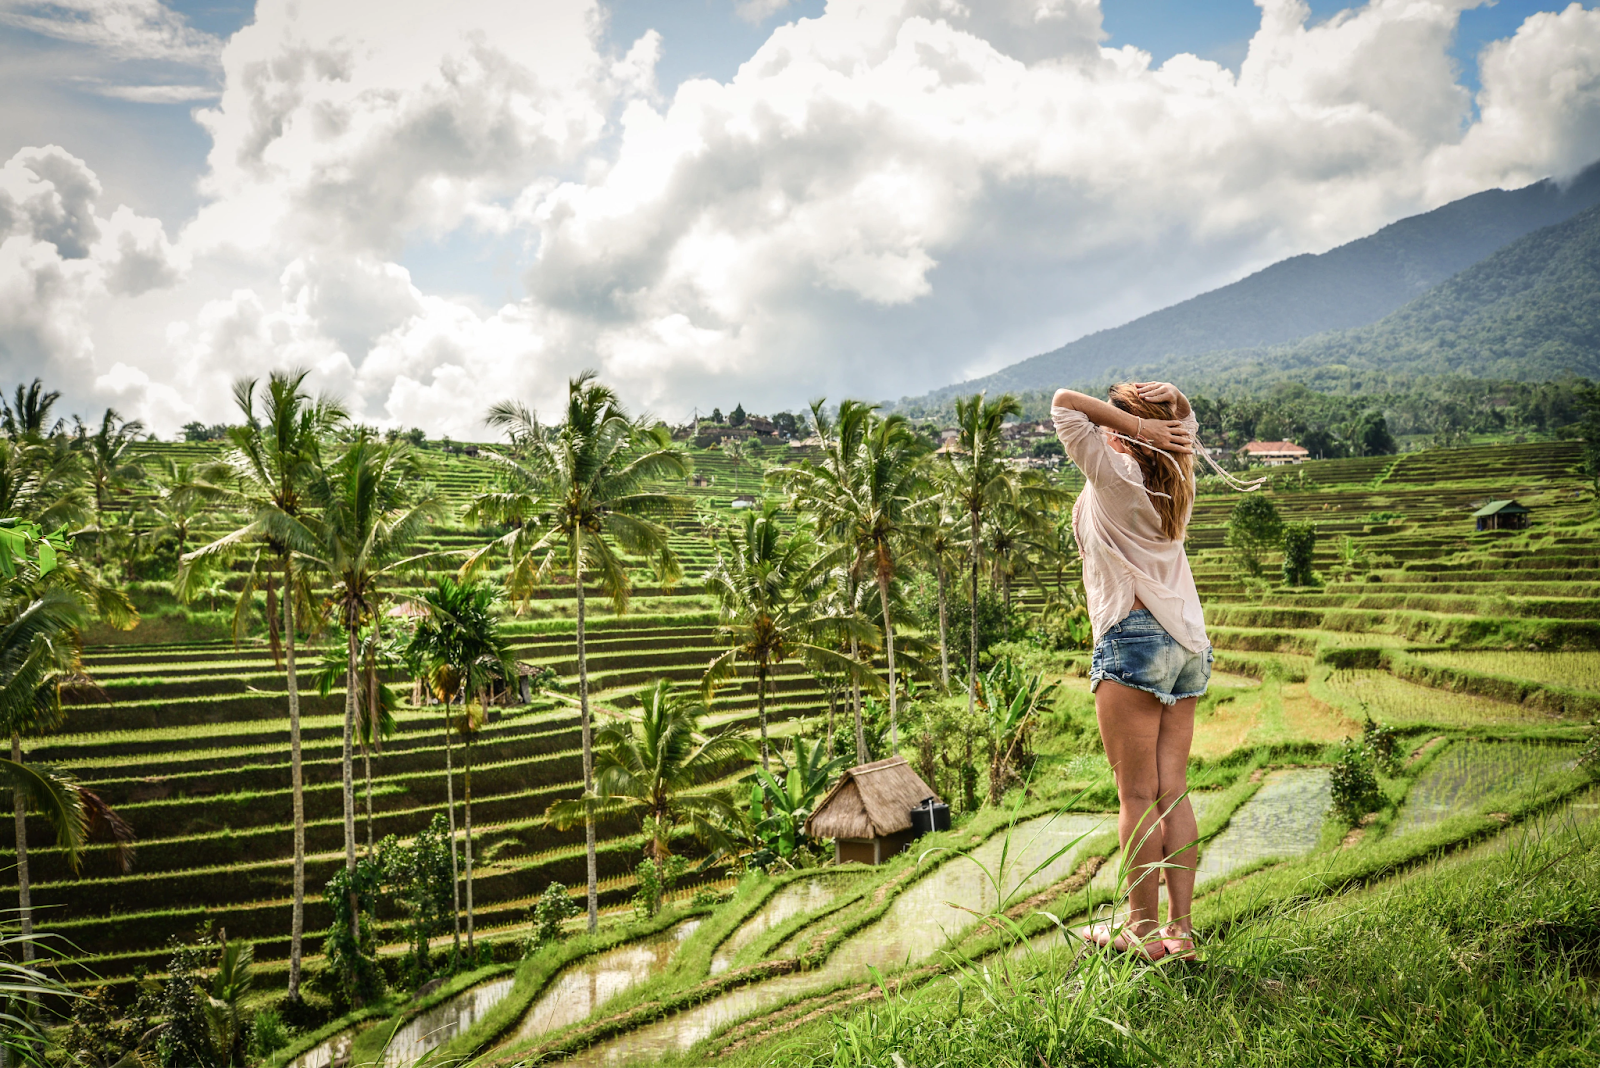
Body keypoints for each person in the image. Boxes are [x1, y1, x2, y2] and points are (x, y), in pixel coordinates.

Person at [1051, 380, 1206, 962]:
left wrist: (1139, 424)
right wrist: (1176, 405)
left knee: (1136, 795)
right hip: (1187, 642)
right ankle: (1180, 933)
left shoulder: (1116, 473)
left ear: (1130, 424)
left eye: (1117, 411)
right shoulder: (1176, 474)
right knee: (1172, 792)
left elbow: (1064, 402)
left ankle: (1141, 931)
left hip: (1134, 638)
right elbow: (1186, 432)